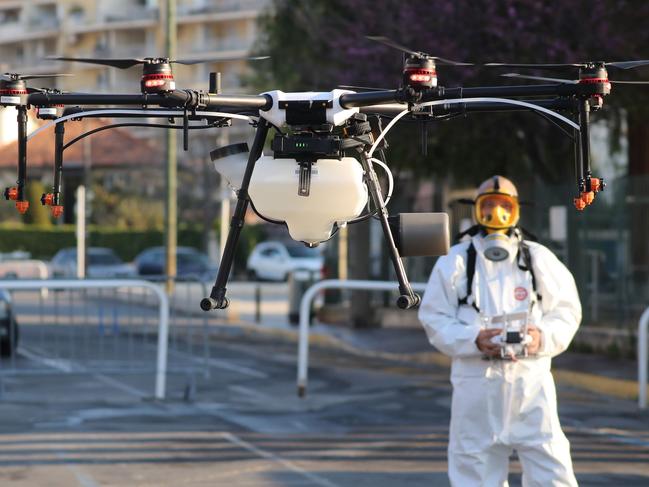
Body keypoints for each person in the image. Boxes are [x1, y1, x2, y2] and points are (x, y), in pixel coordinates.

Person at [418, 175, 580, 487]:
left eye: (504, 204)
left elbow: (567, 311)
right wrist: (473, 340)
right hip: (477, 388)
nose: (496, 213)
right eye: (488, 204)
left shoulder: (538, 258)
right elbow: (434, 318)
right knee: (473, 469)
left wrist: (540, 338)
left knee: (551, 468)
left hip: (530, 386)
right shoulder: (454, 262)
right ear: (476, 209)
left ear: (517, 209)